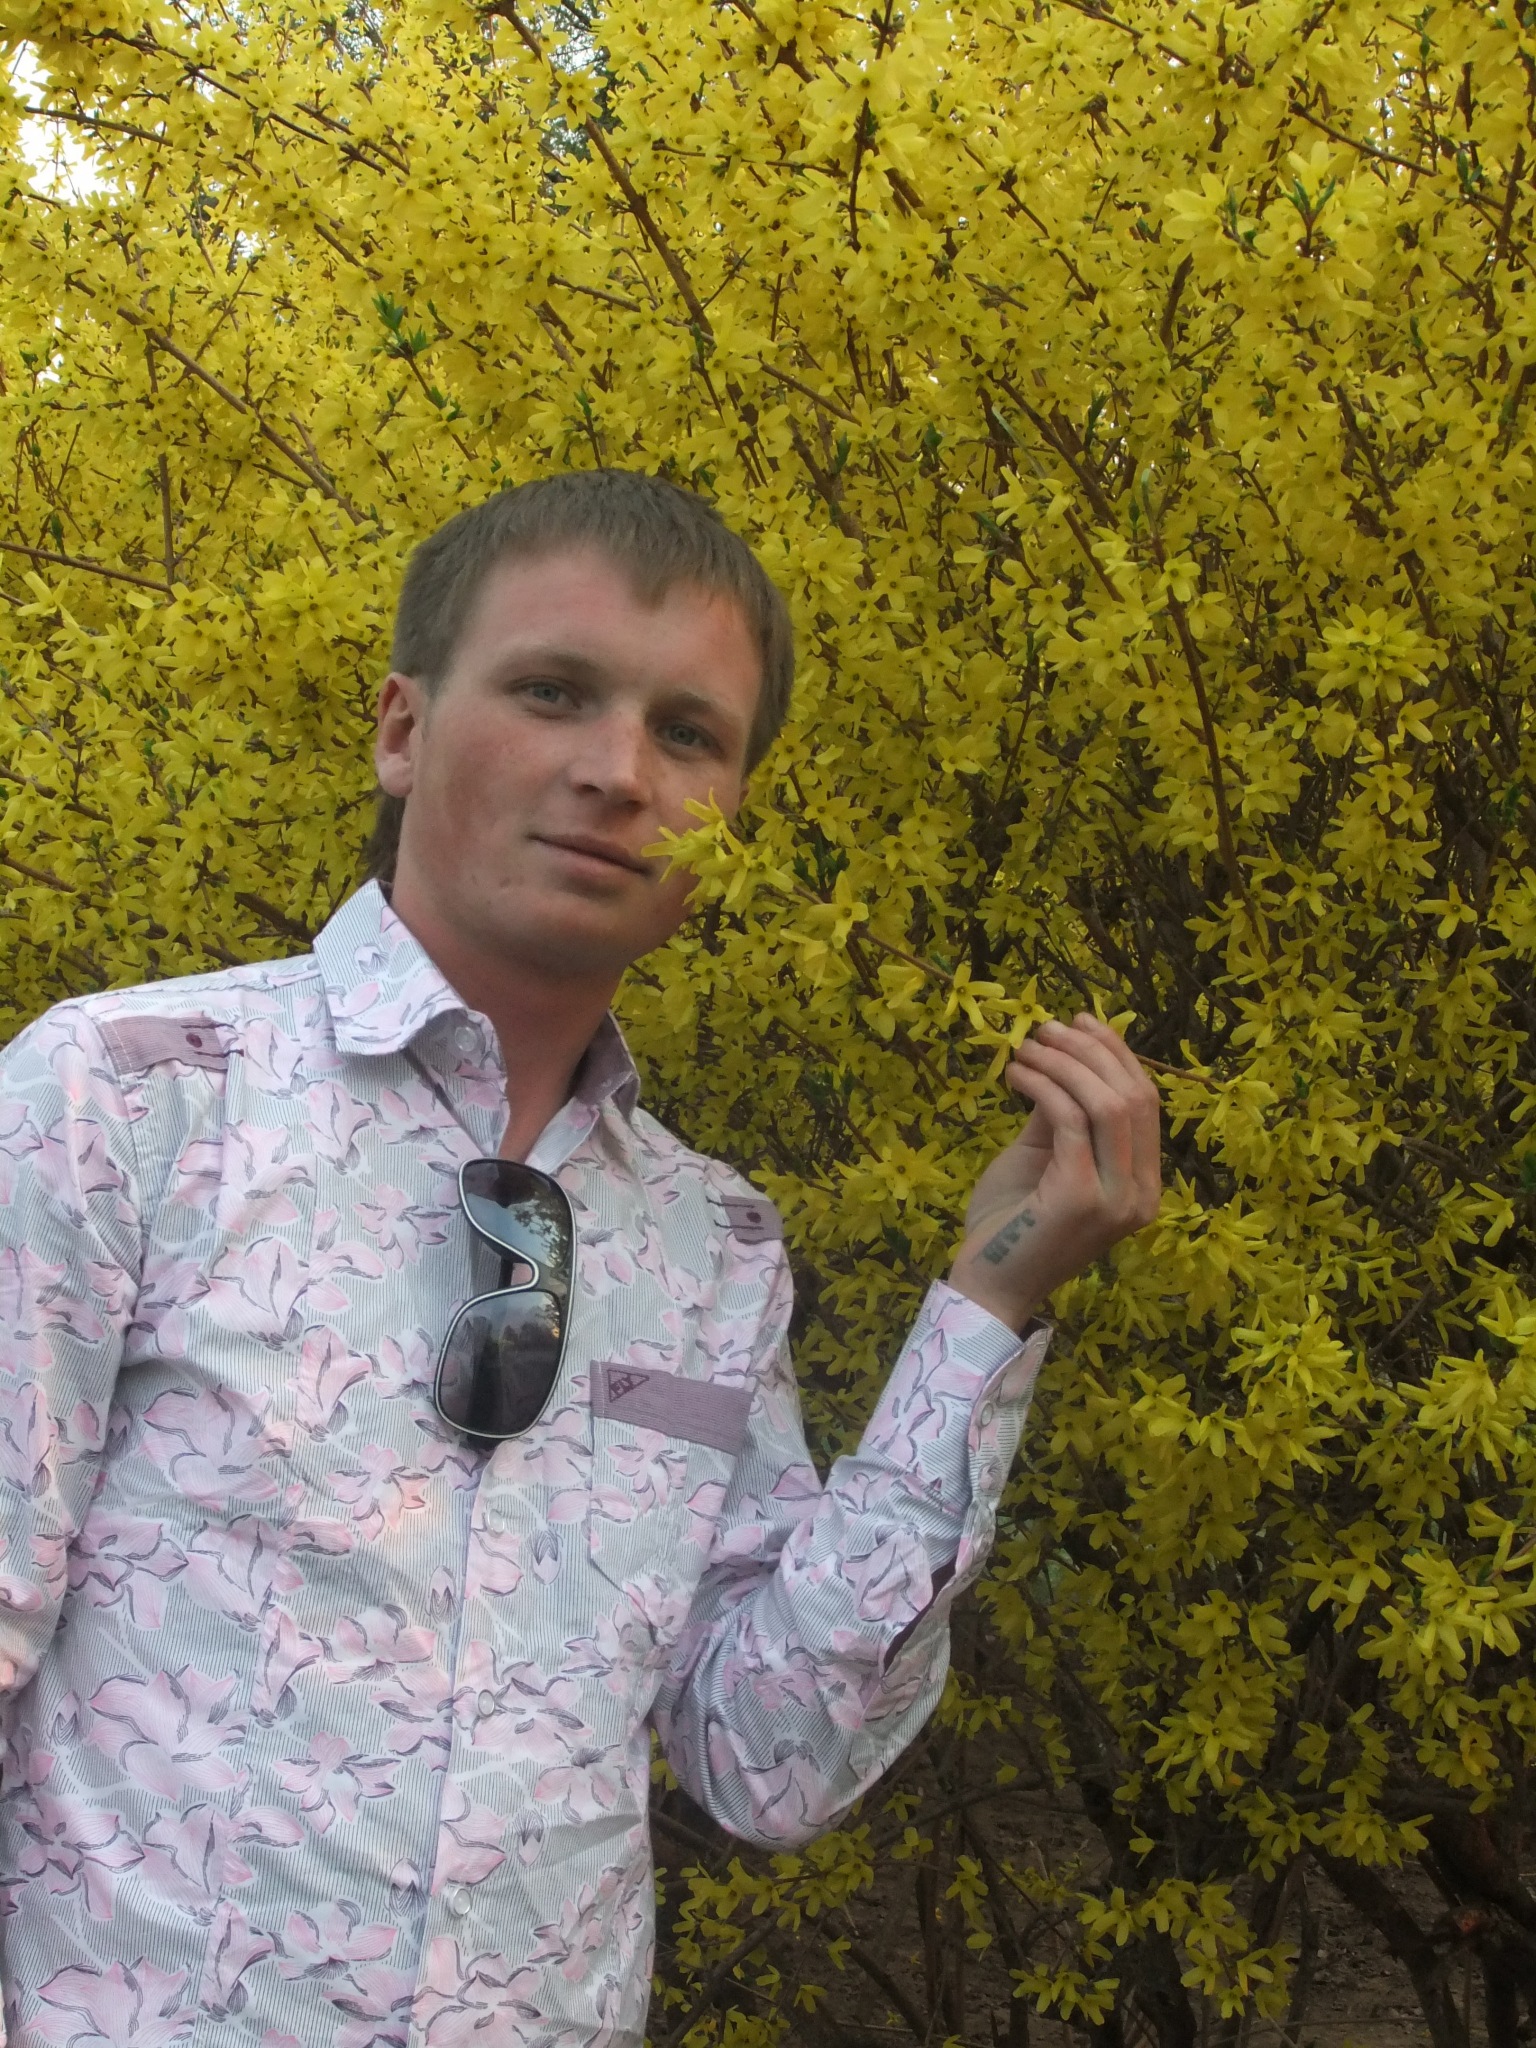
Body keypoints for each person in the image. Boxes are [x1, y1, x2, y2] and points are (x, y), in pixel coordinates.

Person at [0, 471, 1160, 2048]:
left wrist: (987, 1302)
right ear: (403, 729)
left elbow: (769, 1758)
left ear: (731, 819)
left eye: (690, 733)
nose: (618, 772)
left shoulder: (711, 1242)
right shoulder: (129, 1101)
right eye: (552, 692)